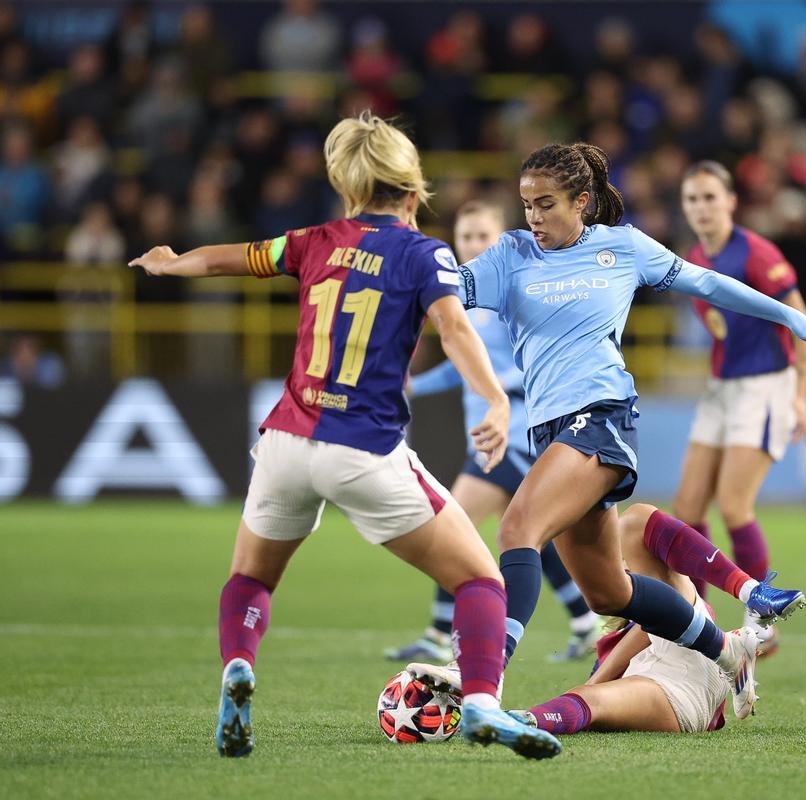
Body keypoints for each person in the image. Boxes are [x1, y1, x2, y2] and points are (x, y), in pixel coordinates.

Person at [128, 113, 561, 760]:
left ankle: (238, 667)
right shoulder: (425, 254)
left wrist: (171, 265)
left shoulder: (316, 239)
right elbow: (455, 331)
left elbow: (234, 259)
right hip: (362, 451)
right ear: (413, 193)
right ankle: (479, 703)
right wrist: (496, 399)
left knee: (250, 579)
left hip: (284, 445)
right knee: (480, 582)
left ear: (351, 190)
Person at [409, 142, 806, 720]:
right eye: (527, 205)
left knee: (517, 529)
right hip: (551, 428)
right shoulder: (508, 254)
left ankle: (482, 677)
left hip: (603, 417)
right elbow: (444, 298)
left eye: (546, 204)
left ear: (582, 201)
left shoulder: (623, 248)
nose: (533, 218)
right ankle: (727, 649)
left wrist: (793, 316)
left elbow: (707, 285)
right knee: (609, 592)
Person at [387, 200, 601, 665]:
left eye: (483, 236)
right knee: (527, 534)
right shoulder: (464, 298)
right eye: (465, 237)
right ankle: (587, 623)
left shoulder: (513, 291)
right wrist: (414, 386)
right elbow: (462, 370)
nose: (473, 245)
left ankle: (441, 634)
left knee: (453, 521)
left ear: (501, 240)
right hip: (492, 433)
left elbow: (540, 360)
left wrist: (507, 395)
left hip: (516, 432)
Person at [671, 160, 806, 656]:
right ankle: (699, 620)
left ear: (732, 201)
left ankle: (764, 622)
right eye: (693, 199)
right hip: (721, 388)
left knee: (734, 506)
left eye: (711, 197)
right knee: (687, 510)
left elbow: (802, 323)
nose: (702, 208)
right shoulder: (693, 255)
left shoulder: (756, 253)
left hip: (765, 387)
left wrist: (799, 395)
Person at [510, 504, 731, 735]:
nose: (623, 565)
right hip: (670, 689)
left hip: (682, 684)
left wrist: (589, 686)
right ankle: (519, 721)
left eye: (622, 559)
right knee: (591, 700)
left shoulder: (672, 595)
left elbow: (644, 525)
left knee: (636, 520)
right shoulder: (614, 638)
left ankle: (747, 588)